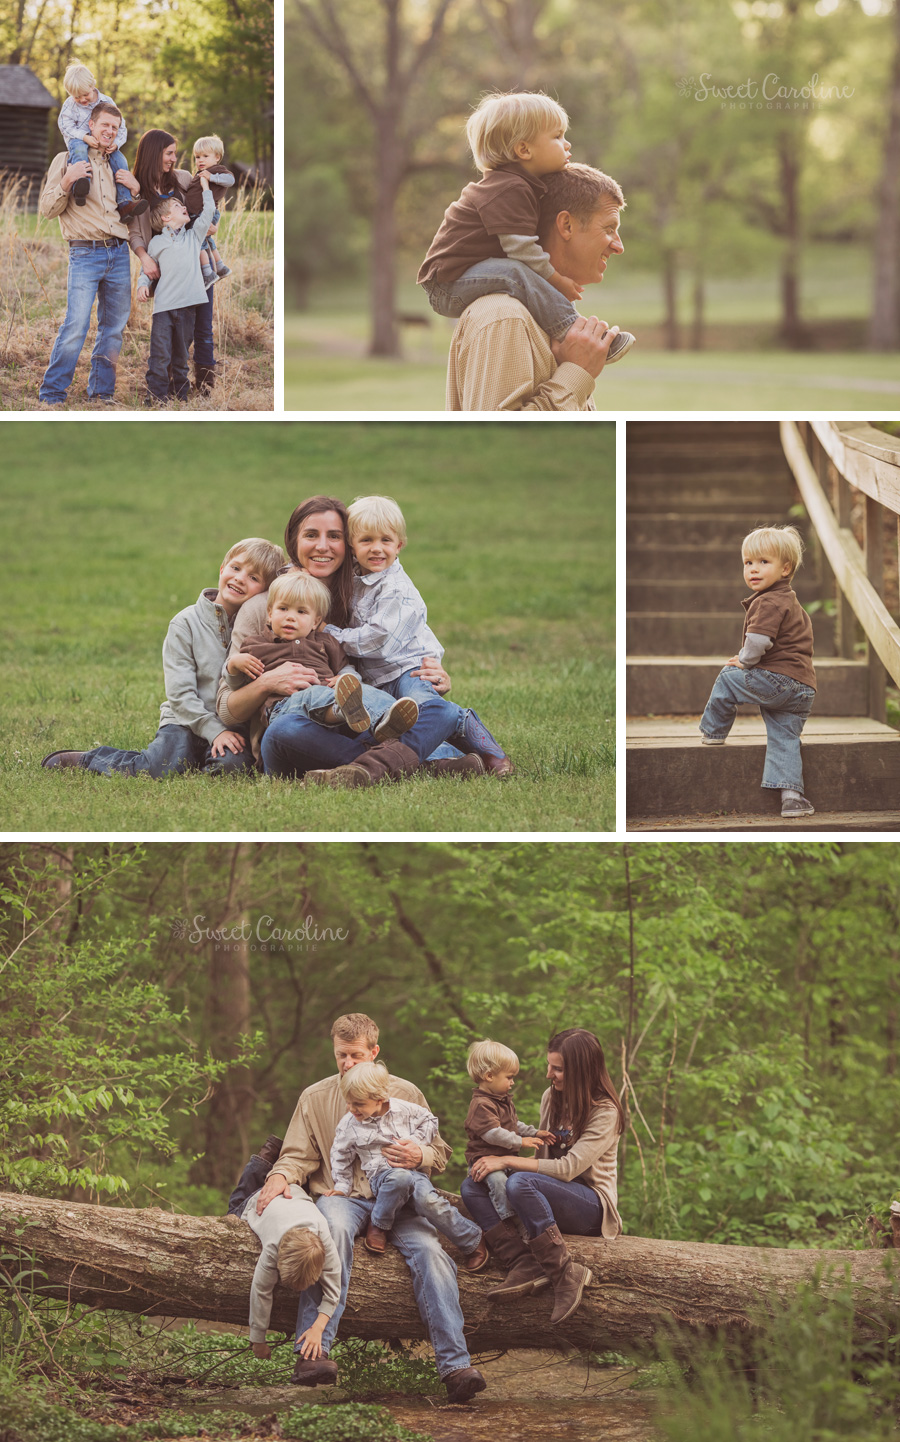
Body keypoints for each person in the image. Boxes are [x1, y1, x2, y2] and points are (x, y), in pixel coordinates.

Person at [251, 1012, 488, 1404]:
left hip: (403, 1201)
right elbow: (297, 1156)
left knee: (432, 1254)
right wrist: (280, 1176)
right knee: (330, 1236)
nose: (346, 1063)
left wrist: (420, 1154)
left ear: (374, 1052)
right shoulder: (315, 1097)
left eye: (355, 1055)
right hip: (343, 1198)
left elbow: (441, 1153)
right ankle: (313, 1354)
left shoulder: (406, 1094)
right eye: (340, 1055)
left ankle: (455, 1367)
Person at [216, 496, 508, 786]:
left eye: (334, 536)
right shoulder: (264, 606)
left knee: (439, 710)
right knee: (286, 730)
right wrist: (267, 682)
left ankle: (365, 771)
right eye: (310, 535)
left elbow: (394, 647)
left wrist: (432, 670)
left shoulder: (361, 596)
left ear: (349, 545)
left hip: (359, 727)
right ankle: (426, 763)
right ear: (293, 540)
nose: (322, 546)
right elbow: (228, 708)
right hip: (298, 732)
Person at [309, 494, 513, 787]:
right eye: (366, 540)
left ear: (400, 544)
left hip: (410, 668)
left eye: (386, 541)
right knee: (402, 722)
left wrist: (331, 632)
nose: (377, 548)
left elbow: (380, 642)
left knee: (428, 707)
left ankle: (494, 755)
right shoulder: (354, 577)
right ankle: (452, 760)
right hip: (378, 677)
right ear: (352, 545)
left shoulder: (396, 588)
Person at [40, 538, 285, 777]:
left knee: (234, 768)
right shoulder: (185, 623)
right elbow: (180, 696)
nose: (240, 579)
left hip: (233, 727)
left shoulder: (259, 632)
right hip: (184, 721)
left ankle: (194, 761)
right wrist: (214, 731)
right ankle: (90, 759)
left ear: (265, 593)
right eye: (235, 568)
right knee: (160, 766)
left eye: (254, 578)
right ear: (222, 569)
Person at [420, 91, 633, 362]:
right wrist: (556, 279)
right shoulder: (508, 187)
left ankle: (570, 332)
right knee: (515, 273)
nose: (567, 145)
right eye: (557, 137)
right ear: (524, 149)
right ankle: (572, 331)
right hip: (448, 284)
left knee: (522, 274)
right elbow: (519, 248)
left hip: (462, 277)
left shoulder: (523, 187)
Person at [461, 1028, 624, 1327]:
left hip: (590, 1205)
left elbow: (567, 1169)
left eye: (558, 1069)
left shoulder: (606, 1111)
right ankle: (521, 1262)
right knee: (473, 1184)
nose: (549, 1074)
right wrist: (498, 1167)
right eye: (550, 1066)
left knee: (518, 1180)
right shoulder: (552, 1096)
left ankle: (565, 1273)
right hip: (545, 1194)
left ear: (582, 1071)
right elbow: (542, 1159)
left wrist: (507, 1160)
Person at [446, 163, 626, 411]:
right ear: (567, 225)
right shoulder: (505, 317)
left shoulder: (539, 317)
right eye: (609, 229)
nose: (619, 246)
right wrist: (576, 373)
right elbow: (499, 443)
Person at [699, 525, 817, 819]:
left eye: (764, 562)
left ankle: (713, 732)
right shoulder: (789, 600)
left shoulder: (767, 601)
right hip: (803, 689)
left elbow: (758, 642)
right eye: (748, 562)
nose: (753, 569)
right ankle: (792, 797)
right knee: (784, 737)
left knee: (728, 677)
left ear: (785, 569)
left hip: (779, 681)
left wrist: (743, 660)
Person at [326, 1060, 488, 1269]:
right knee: (398, 1179)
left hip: (414, 1174)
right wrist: (341, 1186)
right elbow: (340, 1154)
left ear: (380, 1099)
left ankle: (471, 1239)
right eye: (348, 1102)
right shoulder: (349, 1124)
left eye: (358, 1104)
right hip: (381, 1176)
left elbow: (430, 1121)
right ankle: (379, 1225)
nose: (351, 1108)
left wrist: (415, 1142)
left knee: (428, 1200)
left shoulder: (405, 1109)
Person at [227, 569, 420, 741]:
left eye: (301, 611)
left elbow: (345, 667)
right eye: (283, 608)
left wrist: (348, 677)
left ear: (315, 621)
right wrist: (234, 666)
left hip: (329, 698)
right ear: (269, 613)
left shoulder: (325, 642)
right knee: (313, 693)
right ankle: (343, 709)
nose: (290, 617)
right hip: (284, 707)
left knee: (365, 691)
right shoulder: (256, 645)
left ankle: (388, 718)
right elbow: (237, 684)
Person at [38, 102, 141, 407]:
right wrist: (68, 181)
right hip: (85, 253)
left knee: (113, 329)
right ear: (91, 126)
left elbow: (133, 215)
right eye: (104, 125)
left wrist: (135, 190)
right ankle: (52, 394)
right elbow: (46, 209)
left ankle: (101, 393)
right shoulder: (66, 158)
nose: (109, 131)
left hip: (119, 255)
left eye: (115, 127)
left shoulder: (118, 164)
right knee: (76, 326)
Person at [227, 1142, 341, 1364]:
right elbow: (261, 1290)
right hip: (260, 1200)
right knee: (235, 1207)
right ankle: (262, 1162)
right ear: (278, 1258)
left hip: (293, 1193)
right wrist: (257, 1339)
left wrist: (319, 1326)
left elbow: (334, 1289)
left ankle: (272, 1158)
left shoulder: (324, 1240)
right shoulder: (272, 1247)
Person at [128, 130, 218, 396]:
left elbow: (203, 207)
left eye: (174, 153)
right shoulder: (137, 188)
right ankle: (161, 388)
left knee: (201, 326)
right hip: (163, 264)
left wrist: (211, 225)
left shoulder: (181, 177)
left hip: (193, 256)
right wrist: (145, 261)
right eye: (169, 153)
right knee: (166, 332)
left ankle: (204, 386)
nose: (173, 159)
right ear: (154, 153)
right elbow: (134, 233)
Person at [463, 1039, 555, 1224]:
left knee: (530, 1177)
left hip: (504, 1159)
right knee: (498, 1182)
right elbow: (493, 1134)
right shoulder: (481, 1104)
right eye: (509, 1077)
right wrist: (521, 1142)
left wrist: (534, 1133)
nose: (512, 1082)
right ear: (489, 1076)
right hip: (484, 1161)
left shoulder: (501, 1099)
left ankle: (537, 1215)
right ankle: (510, 1220)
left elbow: (513, 1124)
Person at [57, 64, 147, 220]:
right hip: (79, 139)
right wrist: (84, 137)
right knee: (79, 150)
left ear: (93, 86)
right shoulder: (70, 105)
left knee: (121, 160)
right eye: (77, 97)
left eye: (85, 95)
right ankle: (81, 184)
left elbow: (120, 126)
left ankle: (125, 203)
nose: (82, 100)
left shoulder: (106, 101)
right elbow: (65, 126)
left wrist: (116, 143)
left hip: (104, 143)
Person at [182, 134, 235, 286]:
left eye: (205, 156)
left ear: (217, 157)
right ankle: (220, 267)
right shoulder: (200, 173)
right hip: (197, 214)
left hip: (204, 213)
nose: (200, 160)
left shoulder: (217, 171)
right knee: (207, 240)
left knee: (197, 241)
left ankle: (207, 273)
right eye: (197, 157)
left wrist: (212, 178)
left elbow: (231, 180)